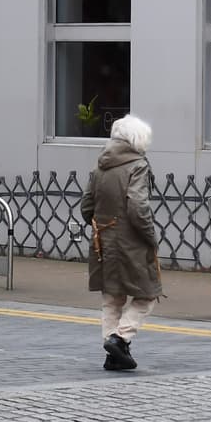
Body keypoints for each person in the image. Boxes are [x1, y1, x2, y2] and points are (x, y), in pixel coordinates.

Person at [80, 114, 162, 371]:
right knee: (148, 294)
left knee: (112, 298)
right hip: (131, 243)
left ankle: (113, 354)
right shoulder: (137, 166)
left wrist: (101, 226)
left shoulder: (100, 166)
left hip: (103, 241)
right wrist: (150, 236)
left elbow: (86, 206)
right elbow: (138, 207)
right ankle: (120, 338)